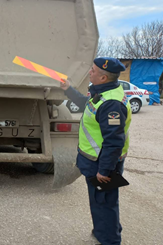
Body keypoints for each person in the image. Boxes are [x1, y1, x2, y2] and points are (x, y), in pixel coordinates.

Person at [60, 57, 131, 245]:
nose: (89, 72)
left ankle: (110, 239)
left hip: (102, 163)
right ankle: (105, 230)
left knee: (103, 203)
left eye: (93, 70)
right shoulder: (103, 92)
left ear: (103, 78)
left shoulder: (112, 104)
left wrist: (105, 170)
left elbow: (114, 141)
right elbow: (87, 105)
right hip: (97, 160)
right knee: (103, 201)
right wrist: (68, 89)